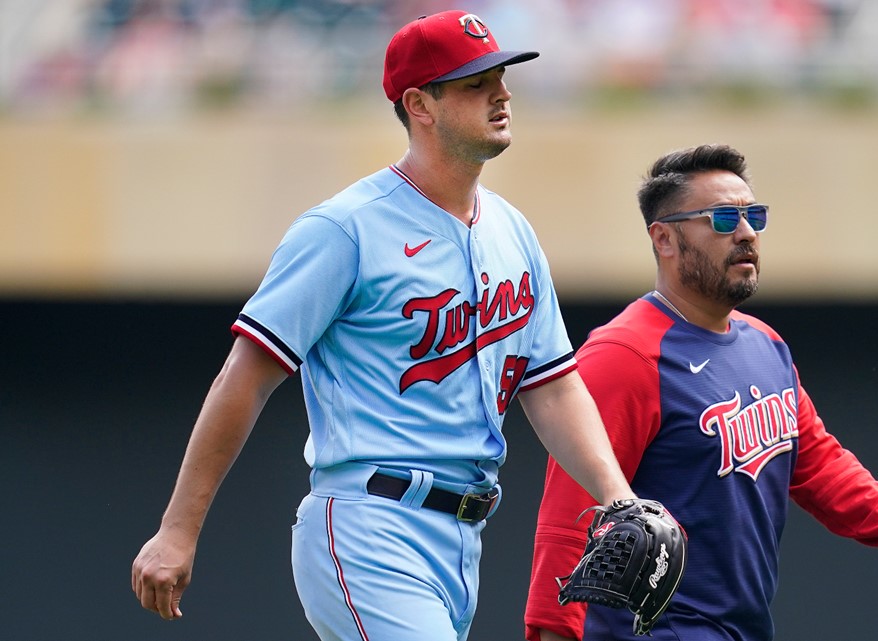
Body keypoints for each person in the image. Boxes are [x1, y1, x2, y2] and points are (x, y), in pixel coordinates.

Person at [130, 11, 634, 641]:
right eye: (476, 83)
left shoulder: (513, 231)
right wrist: (178, 529)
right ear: (420, 103)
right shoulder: (345, 229)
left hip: (464, 535)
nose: (502, 93)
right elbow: (246, 376)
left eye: (500, 76)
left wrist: (618, 498)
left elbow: (553, 385)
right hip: (370, 521)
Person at [524, 144, 878, 641]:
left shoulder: (765, 345)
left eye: (753, 215)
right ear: (664, 239)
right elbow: (570, 515)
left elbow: (823, 470)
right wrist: (553, 632)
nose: (745, 233)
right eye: (722, 218)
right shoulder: (626, 355)